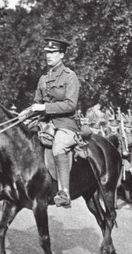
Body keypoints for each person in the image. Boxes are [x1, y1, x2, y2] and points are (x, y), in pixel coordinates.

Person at [30, 38, 80, 208]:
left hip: (66, 124)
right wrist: (26, 114)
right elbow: (37, 102)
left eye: (52, 52)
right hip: (44, 123)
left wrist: (44, 107)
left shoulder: (70, 76)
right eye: (47, 52)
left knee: (58, 146)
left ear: (62, 54)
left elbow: (70, 104)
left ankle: (64, 192)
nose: (48, 55)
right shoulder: (43, 78)